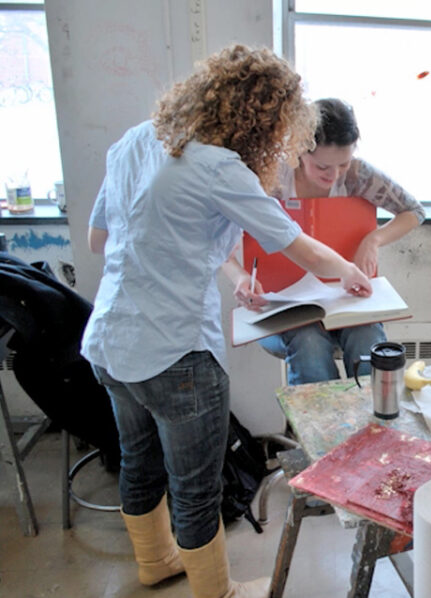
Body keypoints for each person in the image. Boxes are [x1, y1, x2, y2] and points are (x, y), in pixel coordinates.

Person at [81, 45, 371, 598]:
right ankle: (218, 592)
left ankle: (156, 563)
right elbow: (299, 246)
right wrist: (351, 278)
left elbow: (100, 239)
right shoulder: (219, 165)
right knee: (195, 487)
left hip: (110, 342)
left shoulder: (137, 140)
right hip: (175, 353)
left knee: (138, 463)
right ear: (264, 120)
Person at [256, 98, 425, 384]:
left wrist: (373, 239)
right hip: (286, 305)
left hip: (347, 298)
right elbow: (231, 234)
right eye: (323, 167)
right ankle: (318, 426)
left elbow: (414, 211)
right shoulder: (272, 179)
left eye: (343, 164)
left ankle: (374, 423)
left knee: (368, 339)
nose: (334, 175)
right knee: (308, 343)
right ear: (299, 150)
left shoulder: (358, 175)